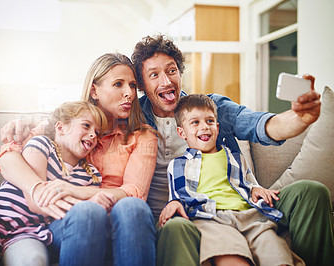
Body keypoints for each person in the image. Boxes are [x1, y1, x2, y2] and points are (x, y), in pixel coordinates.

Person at [130, 34, 333, 266]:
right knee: (177, 226)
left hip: (241, 206)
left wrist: (300, 119)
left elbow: (259, 124)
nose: (166, 82)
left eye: (172, 70)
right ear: (143, 85)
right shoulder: (132, 118)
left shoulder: (209, 107)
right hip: (187, 214)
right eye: (154, 75)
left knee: (312, 191)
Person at [0, 53, 158, 266]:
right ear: (94, 90)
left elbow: (135, 192)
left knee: (132, 207)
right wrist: (36, 187)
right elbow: (9, 154)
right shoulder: (68, 126)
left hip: (124, 224)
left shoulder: (143, 135)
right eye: (118, 84)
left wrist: (79, 191)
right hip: (70, 224)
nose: (129, 93)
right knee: (87, 211)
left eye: (132, 86)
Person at [0, 101, 112, 266]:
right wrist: (85, 200)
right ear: (61, 127)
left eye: (97, 132)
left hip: (30, 232)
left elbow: (81, 215)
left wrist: (91, 203)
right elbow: (35, 200)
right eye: (86, 126)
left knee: (33, 260)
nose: (93, 135)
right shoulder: (41, 145)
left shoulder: (92, 175)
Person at [159, 94, 302, 266]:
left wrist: (256, 189)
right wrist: (173, 203)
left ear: (217, 127)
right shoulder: (178, 165)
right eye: (195, 122)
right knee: (234, 261)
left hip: (250, 218)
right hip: (212, 220)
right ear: (181, 132)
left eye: (210, 121)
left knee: (278, 258)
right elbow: (178, 196)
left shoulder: (234, 157)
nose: (204, 127)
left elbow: (249, 183)